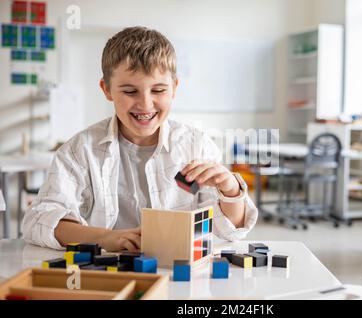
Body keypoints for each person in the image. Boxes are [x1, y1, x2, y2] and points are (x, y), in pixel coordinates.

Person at [22, 27, 258, 252]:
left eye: (158, 91)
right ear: (106, 89)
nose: (145, 105)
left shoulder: (197, 145)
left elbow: (230, 231)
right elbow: (38, 220)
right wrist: (105, 238)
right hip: (109, 276)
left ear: (174, 88)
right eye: (129, 91)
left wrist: (231, 190)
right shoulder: (80, 151)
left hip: (178, 273)